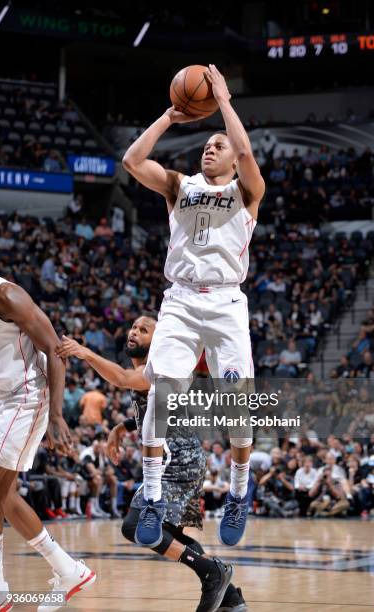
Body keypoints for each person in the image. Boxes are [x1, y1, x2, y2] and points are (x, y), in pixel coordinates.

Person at [122, 64, 265, 549]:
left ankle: (240, 493)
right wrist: (168, 117)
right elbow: (131, 160)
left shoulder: (246, 191)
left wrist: (224, 99)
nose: (211, 147)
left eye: (217, 145)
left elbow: (244, 149)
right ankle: (155, 497)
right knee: (159, 397)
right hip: (181, 299)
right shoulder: (179, 186)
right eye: (207, 144)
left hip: (226, 302)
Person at [57, 317, 247, 612]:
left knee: (135, 526)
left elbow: (121, 378)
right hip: (183, 459)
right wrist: (122, 427)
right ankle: (231, 597)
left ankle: (213, 573)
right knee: (172, 535)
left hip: (177, 462)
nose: (134, 331)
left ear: (158, 341)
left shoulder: (160, 366)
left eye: (143, 330)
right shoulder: (151, 371)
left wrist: (85, 353)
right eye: (133, 326)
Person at [0, 276, 95, 612]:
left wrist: (56, 416)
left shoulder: (7, 296)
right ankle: (69, 571)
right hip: (1, 395)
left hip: (25, 396)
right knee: (4, 497)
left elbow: (55, 350)